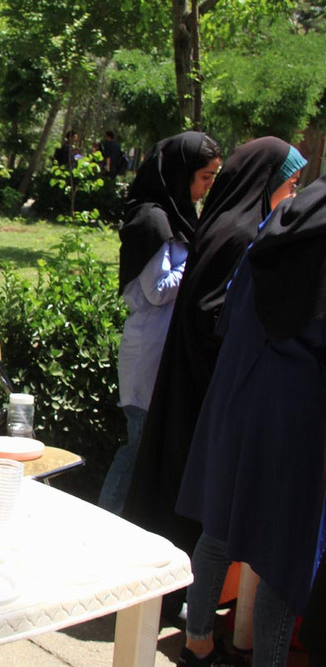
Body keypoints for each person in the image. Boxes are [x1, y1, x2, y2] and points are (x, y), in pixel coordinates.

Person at [122, 137, 307, 561]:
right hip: (203, 388)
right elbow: (211, 314)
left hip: (193, 382)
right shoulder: (240, 234)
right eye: (291, 184)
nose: (293, 195)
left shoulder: (228, 224)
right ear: (266, 181)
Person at [174, 175, 325, 667]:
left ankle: (197, 641)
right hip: (300, 418)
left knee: (221, 526)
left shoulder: (279, 220)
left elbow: (231, 310)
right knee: (285, 558)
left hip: (240, 397)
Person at [97, 131, 222, 515]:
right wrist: (201, 264)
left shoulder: (177, 215)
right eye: (205, 177)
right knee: (136, 449)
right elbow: (157, 288)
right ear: (182, 173)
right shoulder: (151, 220)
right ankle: (105, 518)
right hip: (148, 352)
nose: (208, 186)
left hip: (161, 348)